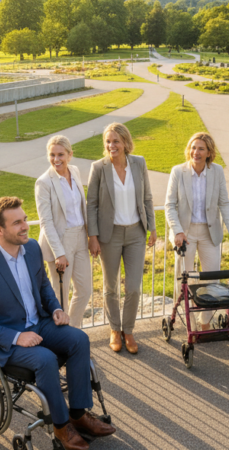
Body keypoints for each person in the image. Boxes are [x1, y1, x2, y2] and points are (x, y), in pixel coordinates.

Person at [0, 197, 117, 450]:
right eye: (17, 223)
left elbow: (44, 285)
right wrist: (17, 337)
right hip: (9, 339)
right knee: (46, 359)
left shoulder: (32, 248)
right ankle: (61, 427)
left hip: (40, 323)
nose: (25, 226)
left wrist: (56, 308)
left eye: (24, 219)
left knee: (79, 339)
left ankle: (78, 415)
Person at [86, 122, 156, 354]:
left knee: (134, 287)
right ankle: (115, 329)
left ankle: (128, 330)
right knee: (111, 286)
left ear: (125, 142)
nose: (111, 145)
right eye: (108, 141)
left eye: (116, 141)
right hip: (110, 234)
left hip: (136, 233)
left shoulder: (139, 163)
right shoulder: (99, 167)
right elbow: (91, 204)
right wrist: (93, 236)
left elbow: (147, 198)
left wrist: (152, 228)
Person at [165, 132, 229, 330]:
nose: (195, 152)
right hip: (185, 234)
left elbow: (224, 203)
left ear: (209, 152)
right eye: (193, 147)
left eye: (201, 149)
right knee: (185, 279)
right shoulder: (178, 171)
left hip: (209, 233)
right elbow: (169, 205)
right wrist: (177, 231)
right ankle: (189, 322)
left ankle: (204, 322)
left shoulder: (217, 171)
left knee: (211, 279)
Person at [35, 136, 92, 328]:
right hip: (60, 240)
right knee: (60, 297)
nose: (56, 159)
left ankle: (72, 331)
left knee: (84, 290)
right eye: (52, 155)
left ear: (70, 155)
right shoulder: (44, 182)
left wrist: (91, 236)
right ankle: (61, 337)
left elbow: (82, 207)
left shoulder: (74, 171)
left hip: (80, 237)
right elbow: (46, 222)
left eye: (60, 154)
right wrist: (59, 253)